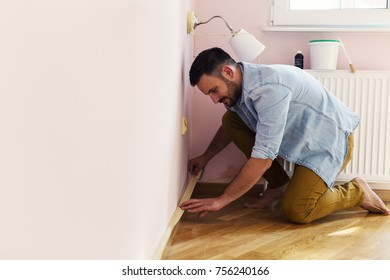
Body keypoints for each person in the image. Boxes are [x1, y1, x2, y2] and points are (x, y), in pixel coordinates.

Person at [180, 47, 390, 223]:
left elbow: (263, 158)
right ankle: (278, 184)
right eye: (210, 94)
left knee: (297, 210)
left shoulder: (270, 89)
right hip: (302, 141)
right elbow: (229, 127)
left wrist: (221, 200)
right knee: (230, 120)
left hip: (327, 143)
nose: (214, 100)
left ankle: (357, 191)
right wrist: (206, 156)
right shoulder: (239, 89)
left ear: (227, 72)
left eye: (214, 91)